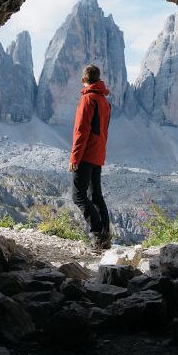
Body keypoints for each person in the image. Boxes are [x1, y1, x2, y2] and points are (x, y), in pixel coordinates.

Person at [69, 64, 112, 250]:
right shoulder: (104, 100)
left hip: (86, 154)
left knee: (78, 196)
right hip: (98, 153)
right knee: (96, 196)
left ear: (83, 79)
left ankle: (97, 233)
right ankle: (106, 237)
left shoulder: (88, 99)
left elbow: (81, 131)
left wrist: (74, 158)